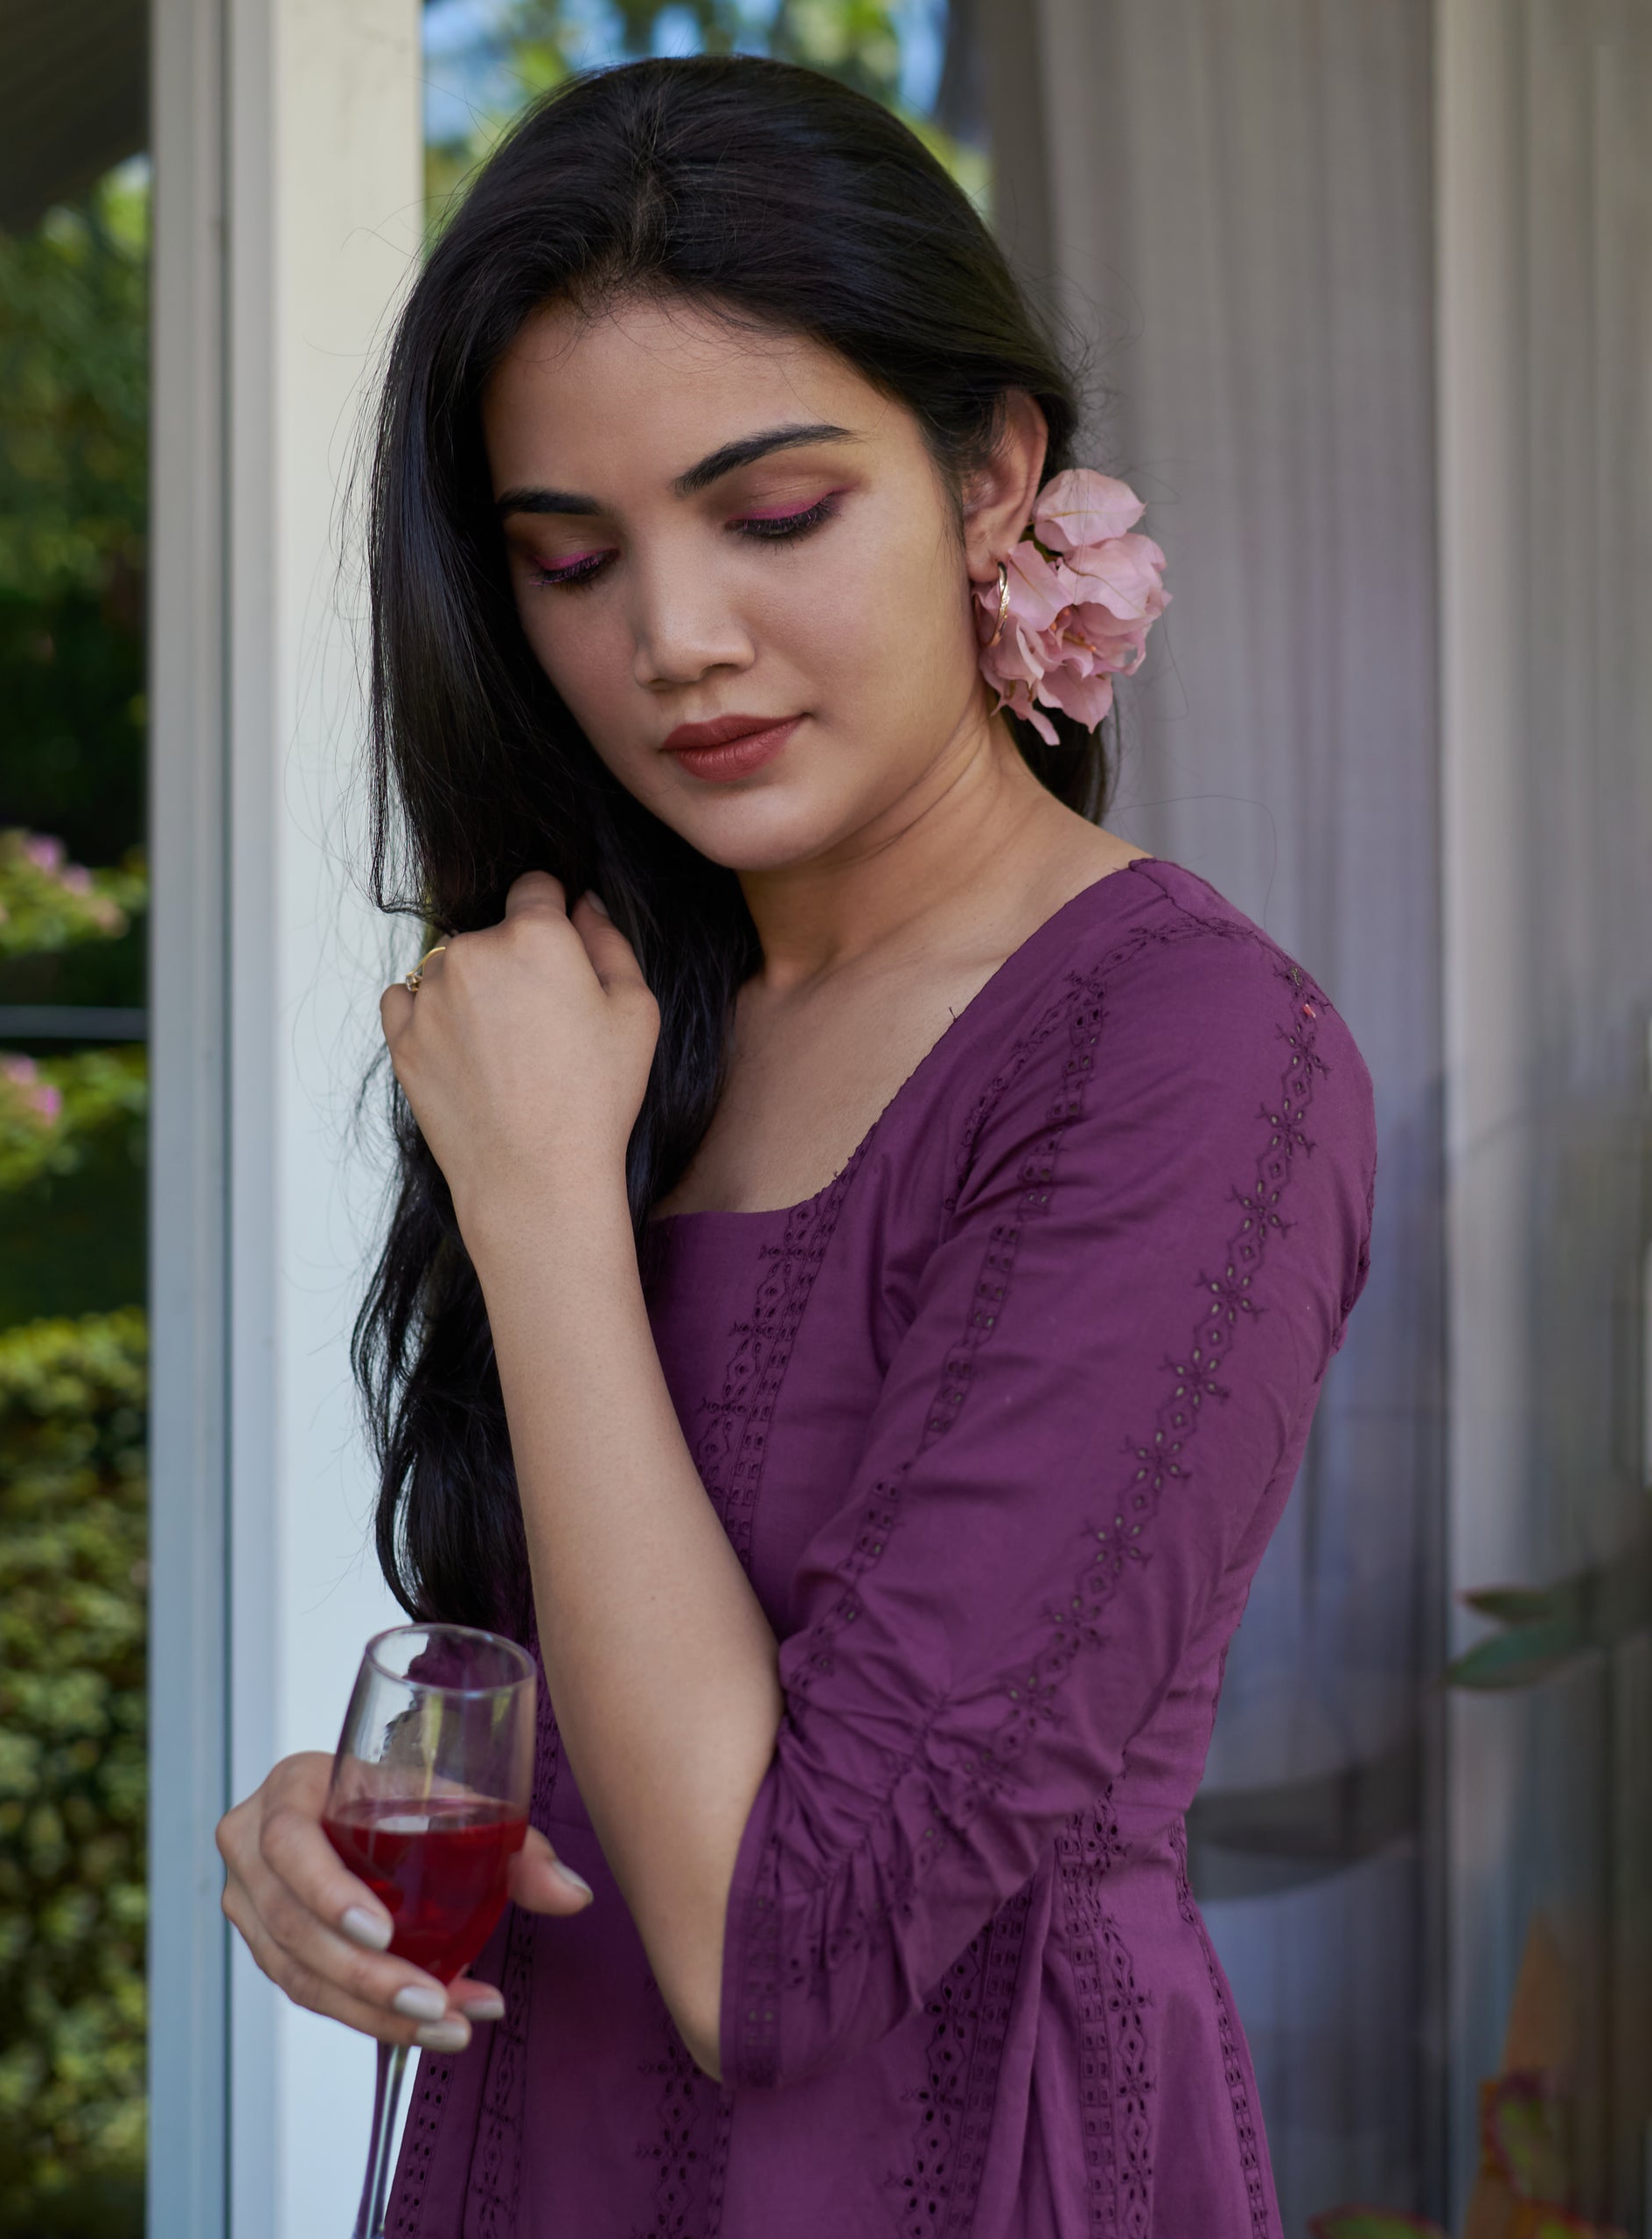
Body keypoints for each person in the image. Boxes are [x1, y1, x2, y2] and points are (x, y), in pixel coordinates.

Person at [216, 52, 1376, 2239]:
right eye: (571, 558)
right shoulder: (621, 1022)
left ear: (987, 475)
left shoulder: (1180, 1049)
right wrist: (354, 1824)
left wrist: (543, 1212)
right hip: (533, 2153)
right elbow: (625, 1705)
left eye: (769, 515)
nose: (673, 640)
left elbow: (791, 1944)